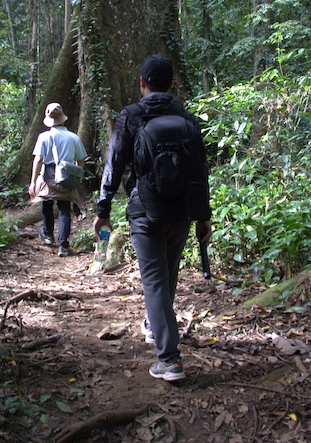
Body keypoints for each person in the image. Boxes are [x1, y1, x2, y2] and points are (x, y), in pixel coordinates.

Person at [94, 54, 212, 382]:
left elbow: (114, 162)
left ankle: (170, 359)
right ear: (171, 84)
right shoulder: (186, 118)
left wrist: (103, 211)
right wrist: (203, 217)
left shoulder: (130, 116)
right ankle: (155, 325)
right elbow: (200, 171)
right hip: (182, 212)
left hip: (145, 210)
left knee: (155, 281)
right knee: (167, 275)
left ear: (142, 83)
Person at [29, 102, 88, 257]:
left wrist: (33, 182)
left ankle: (48, 234)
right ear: (63, 119)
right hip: (66, 177)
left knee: (46, 204)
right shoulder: (73, 138)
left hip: (48, 176)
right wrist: (77, 175)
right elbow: (81, 161)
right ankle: (63, 245)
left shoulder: (44, 137)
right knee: (64, 209)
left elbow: (39, 160)